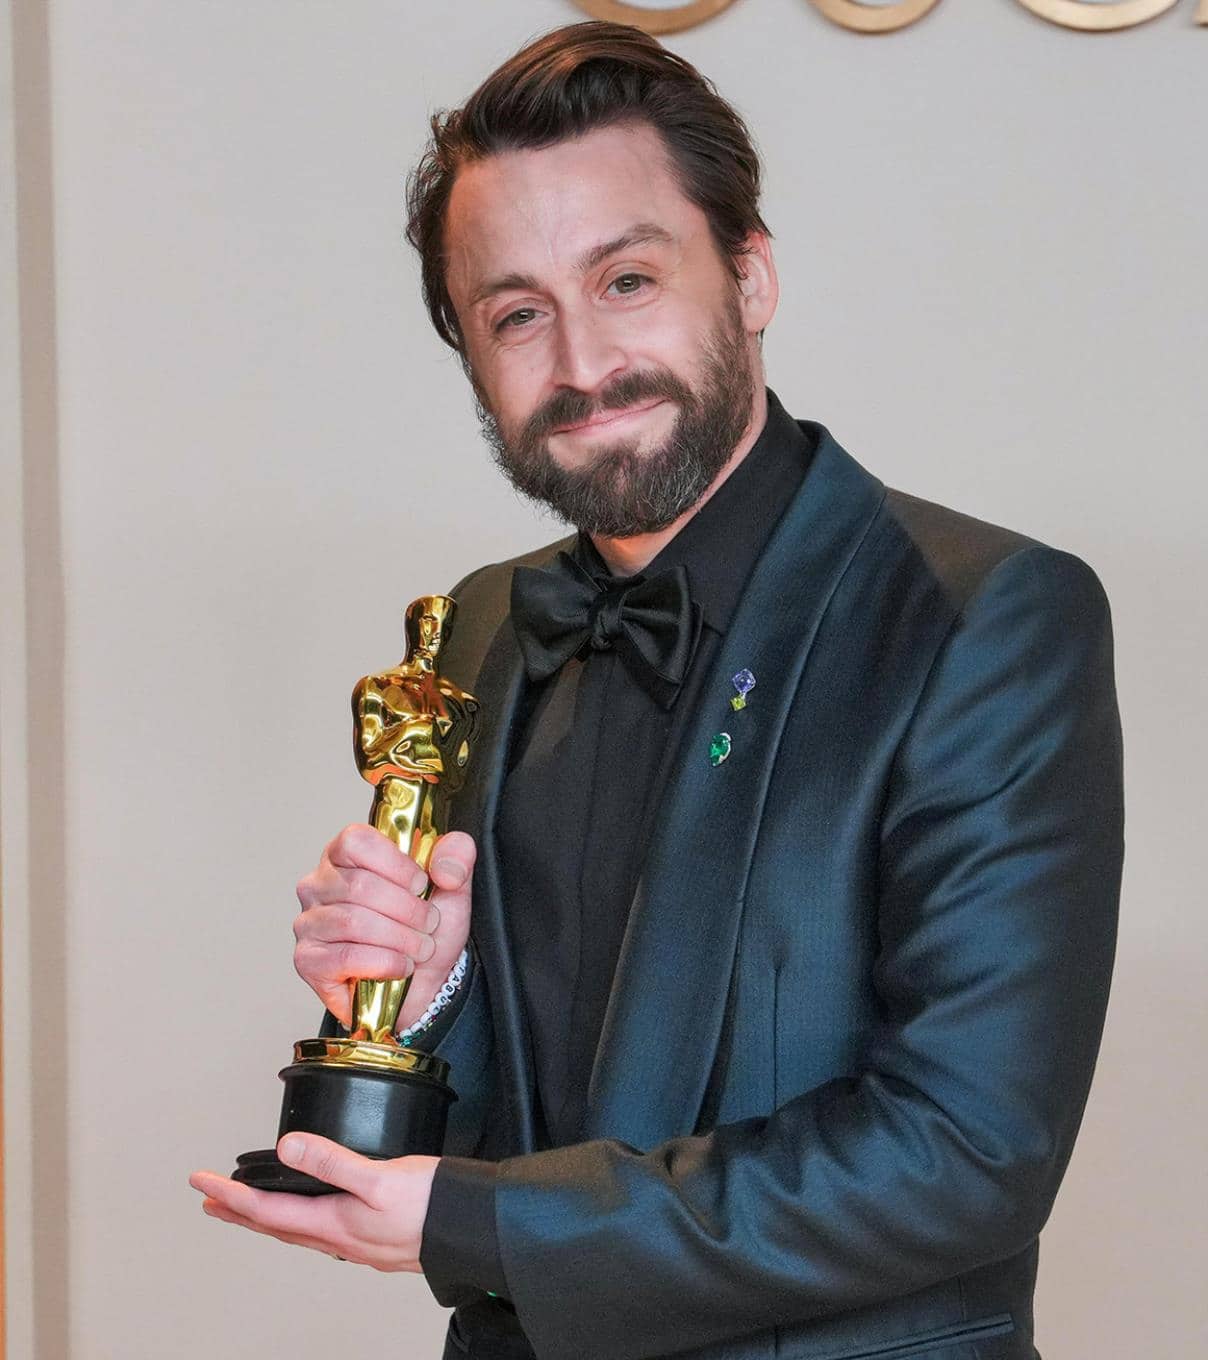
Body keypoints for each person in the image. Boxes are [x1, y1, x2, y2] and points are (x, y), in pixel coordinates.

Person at [191, 22, 1123, 1360]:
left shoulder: (983, 616)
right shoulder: (485, 623)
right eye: (517, 314)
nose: (582, 364)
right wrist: (419, 1005)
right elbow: (507, 1129)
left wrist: (480, 1227)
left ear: (750, 276)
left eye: (626, 280)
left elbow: (967, 1155)